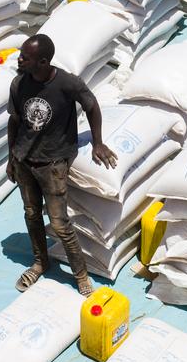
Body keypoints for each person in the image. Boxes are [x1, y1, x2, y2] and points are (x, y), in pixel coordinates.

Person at [7, 34, 117, 296]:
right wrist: (12, 157)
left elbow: (91, 106)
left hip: (53, 163)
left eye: (26, 56)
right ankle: (40, 261)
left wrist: (98, 142)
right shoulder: (19, 83)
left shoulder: (67, 84)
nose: (19, 58)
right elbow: (14, 121)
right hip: (24, 160)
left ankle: (80, 276)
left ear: (43, 61)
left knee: (59, 224)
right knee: (32, 214)